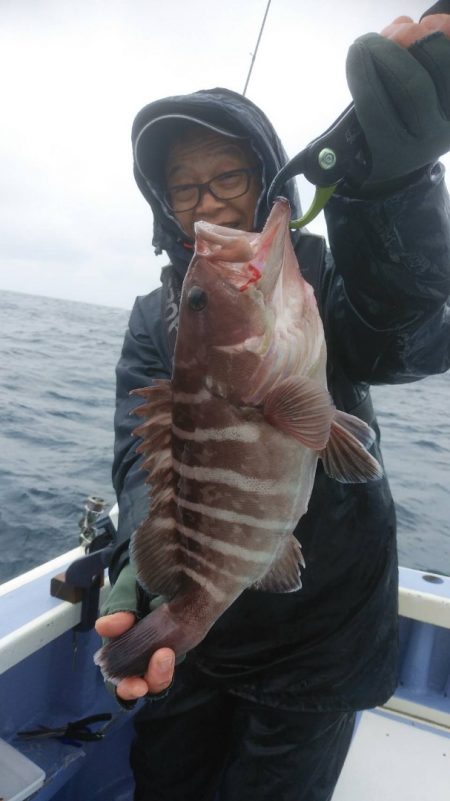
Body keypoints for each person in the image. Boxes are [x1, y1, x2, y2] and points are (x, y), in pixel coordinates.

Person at [96, 13, 450, 801]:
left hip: (322, 643)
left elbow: (410, 341)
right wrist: (142, 560)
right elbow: (139, 455)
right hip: (201, 633)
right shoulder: (155, 319)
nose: (207, 202)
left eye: (228, 176)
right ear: (164, 202)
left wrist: (391, 194)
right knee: (166, 783)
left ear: (268, 179)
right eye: (185, 186)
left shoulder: (317, 277)